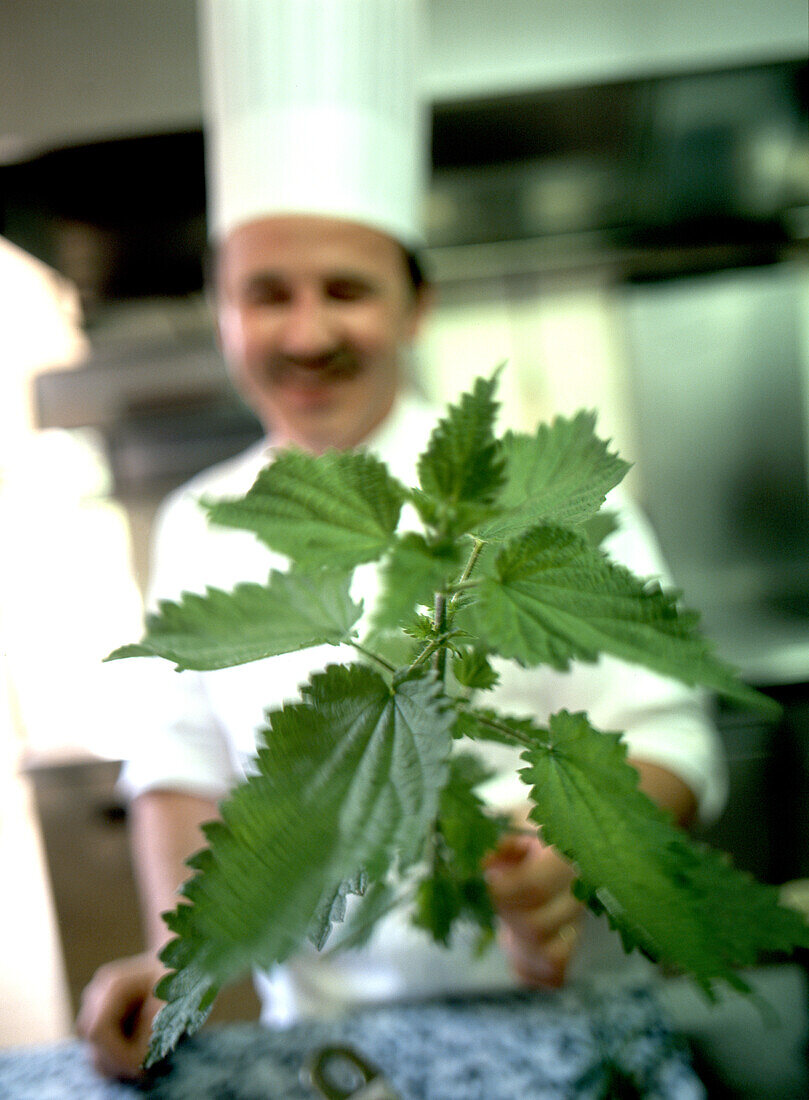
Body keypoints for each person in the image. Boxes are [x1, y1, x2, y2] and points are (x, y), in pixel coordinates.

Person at [76, 0, 726, 1081]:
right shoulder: (199, 521)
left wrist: (561, 852)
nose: (306, 333)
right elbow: (182, 764)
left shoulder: (535, 491)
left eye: (346, 289)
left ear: (417, 303)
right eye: (265, 293)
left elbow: (674, 735)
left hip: (568, 1029)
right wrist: (169, 954)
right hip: (329, 1050)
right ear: (221, 307)